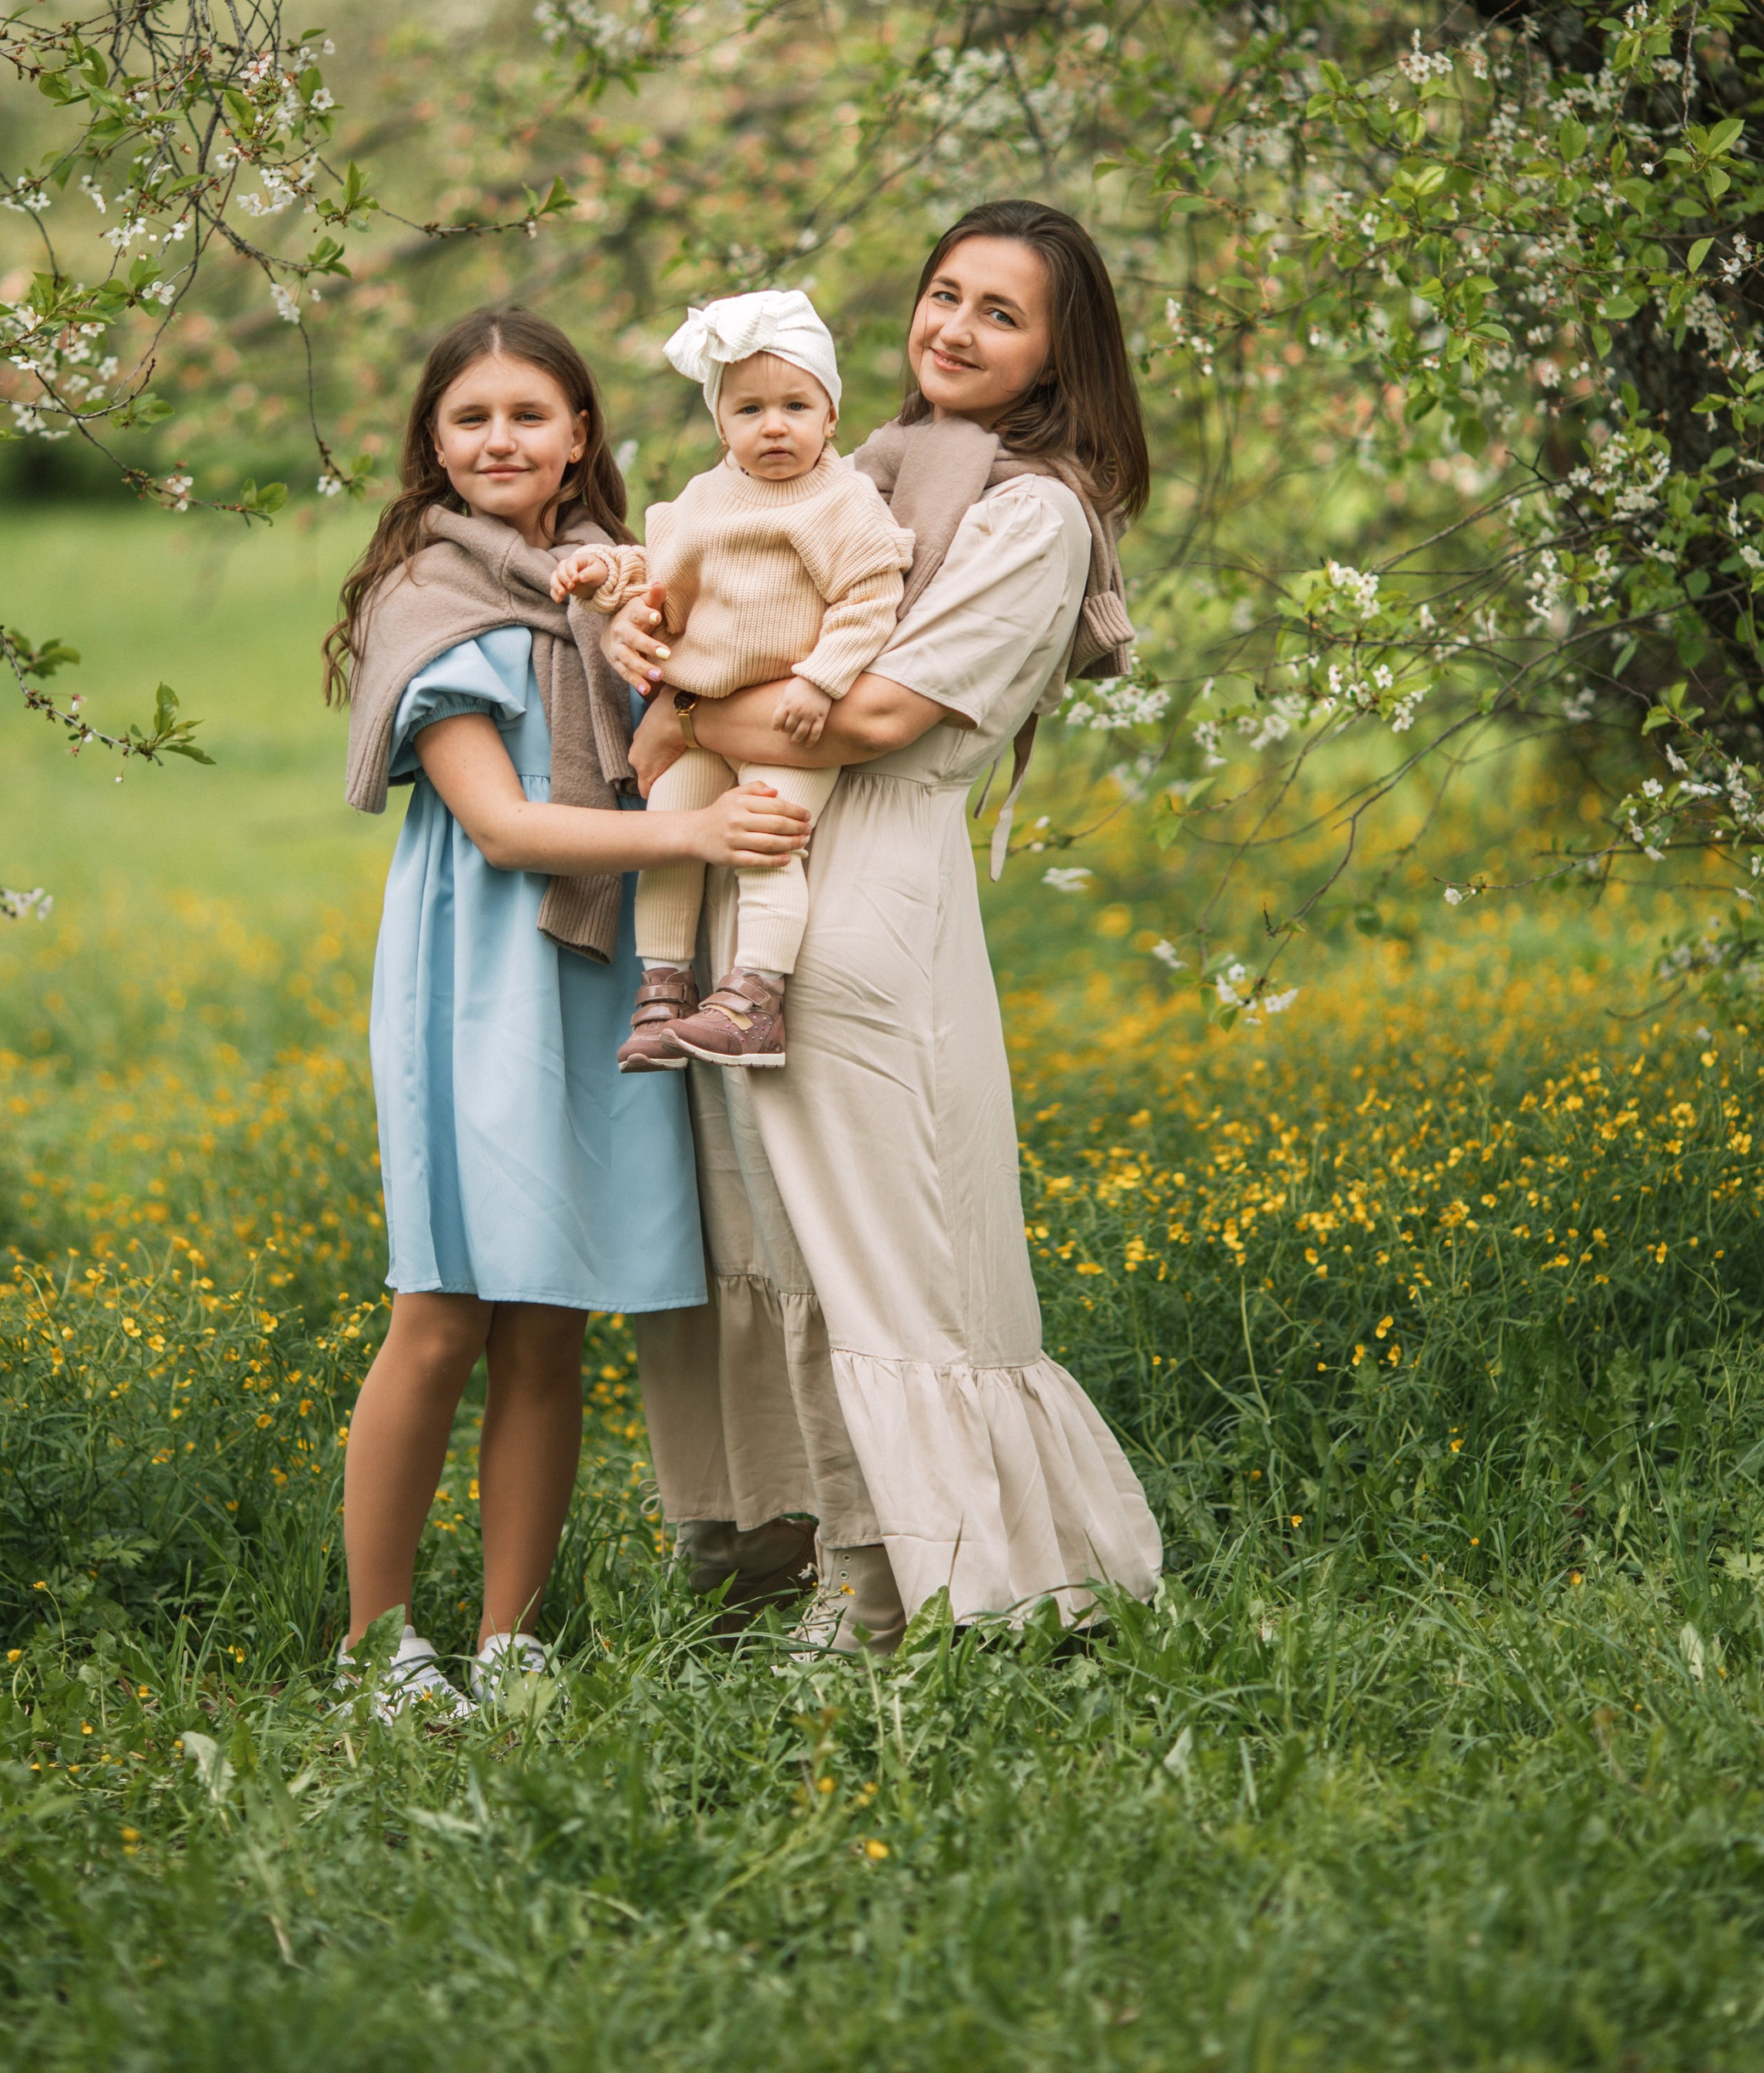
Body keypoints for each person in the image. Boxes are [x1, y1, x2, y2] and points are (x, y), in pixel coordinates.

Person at [606, 203, 1163, 1655]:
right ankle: (838, 1579)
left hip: (869, 908)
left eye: (1000, 311)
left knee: (898, 1259)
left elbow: (872, 716)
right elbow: (726, 610)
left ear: (1061, 351)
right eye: (942, 294)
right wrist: (641, 637)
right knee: (792, 1252)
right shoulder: (854, 473)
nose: (954, 329)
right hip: (756, 882)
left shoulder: (1031, 511)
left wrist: (673, 709)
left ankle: (973, 1577)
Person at [325, 307, 814, 1716]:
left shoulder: (613, 586)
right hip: (480, 974)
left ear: (580, 434)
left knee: (551, 1315)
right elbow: (504, 824)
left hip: (602, 968)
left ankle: (512, 1640)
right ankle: (380, 1643)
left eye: (529, 415)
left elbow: (686, 712)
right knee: (446, 1305)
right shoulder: (434, 600)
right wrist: (698, 844)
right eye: (469, 416)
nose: (500, 440)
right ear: (433, 440)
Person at [550, 287, 911, 1072]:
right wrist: (604, 572)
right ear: (721, 425)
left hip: (787, 722)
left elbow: (871, 594)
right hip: (703, 704)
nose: (774, 426)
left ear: (831, 417)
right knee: (669, 826)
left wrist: (822, 678)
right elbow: (662, 576)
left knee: (763, 841)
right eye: (749, 411)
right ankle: (665, 989)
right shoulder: (706, 500)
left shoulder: (841, 505)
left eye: (795, 405)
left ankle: (755, 999)